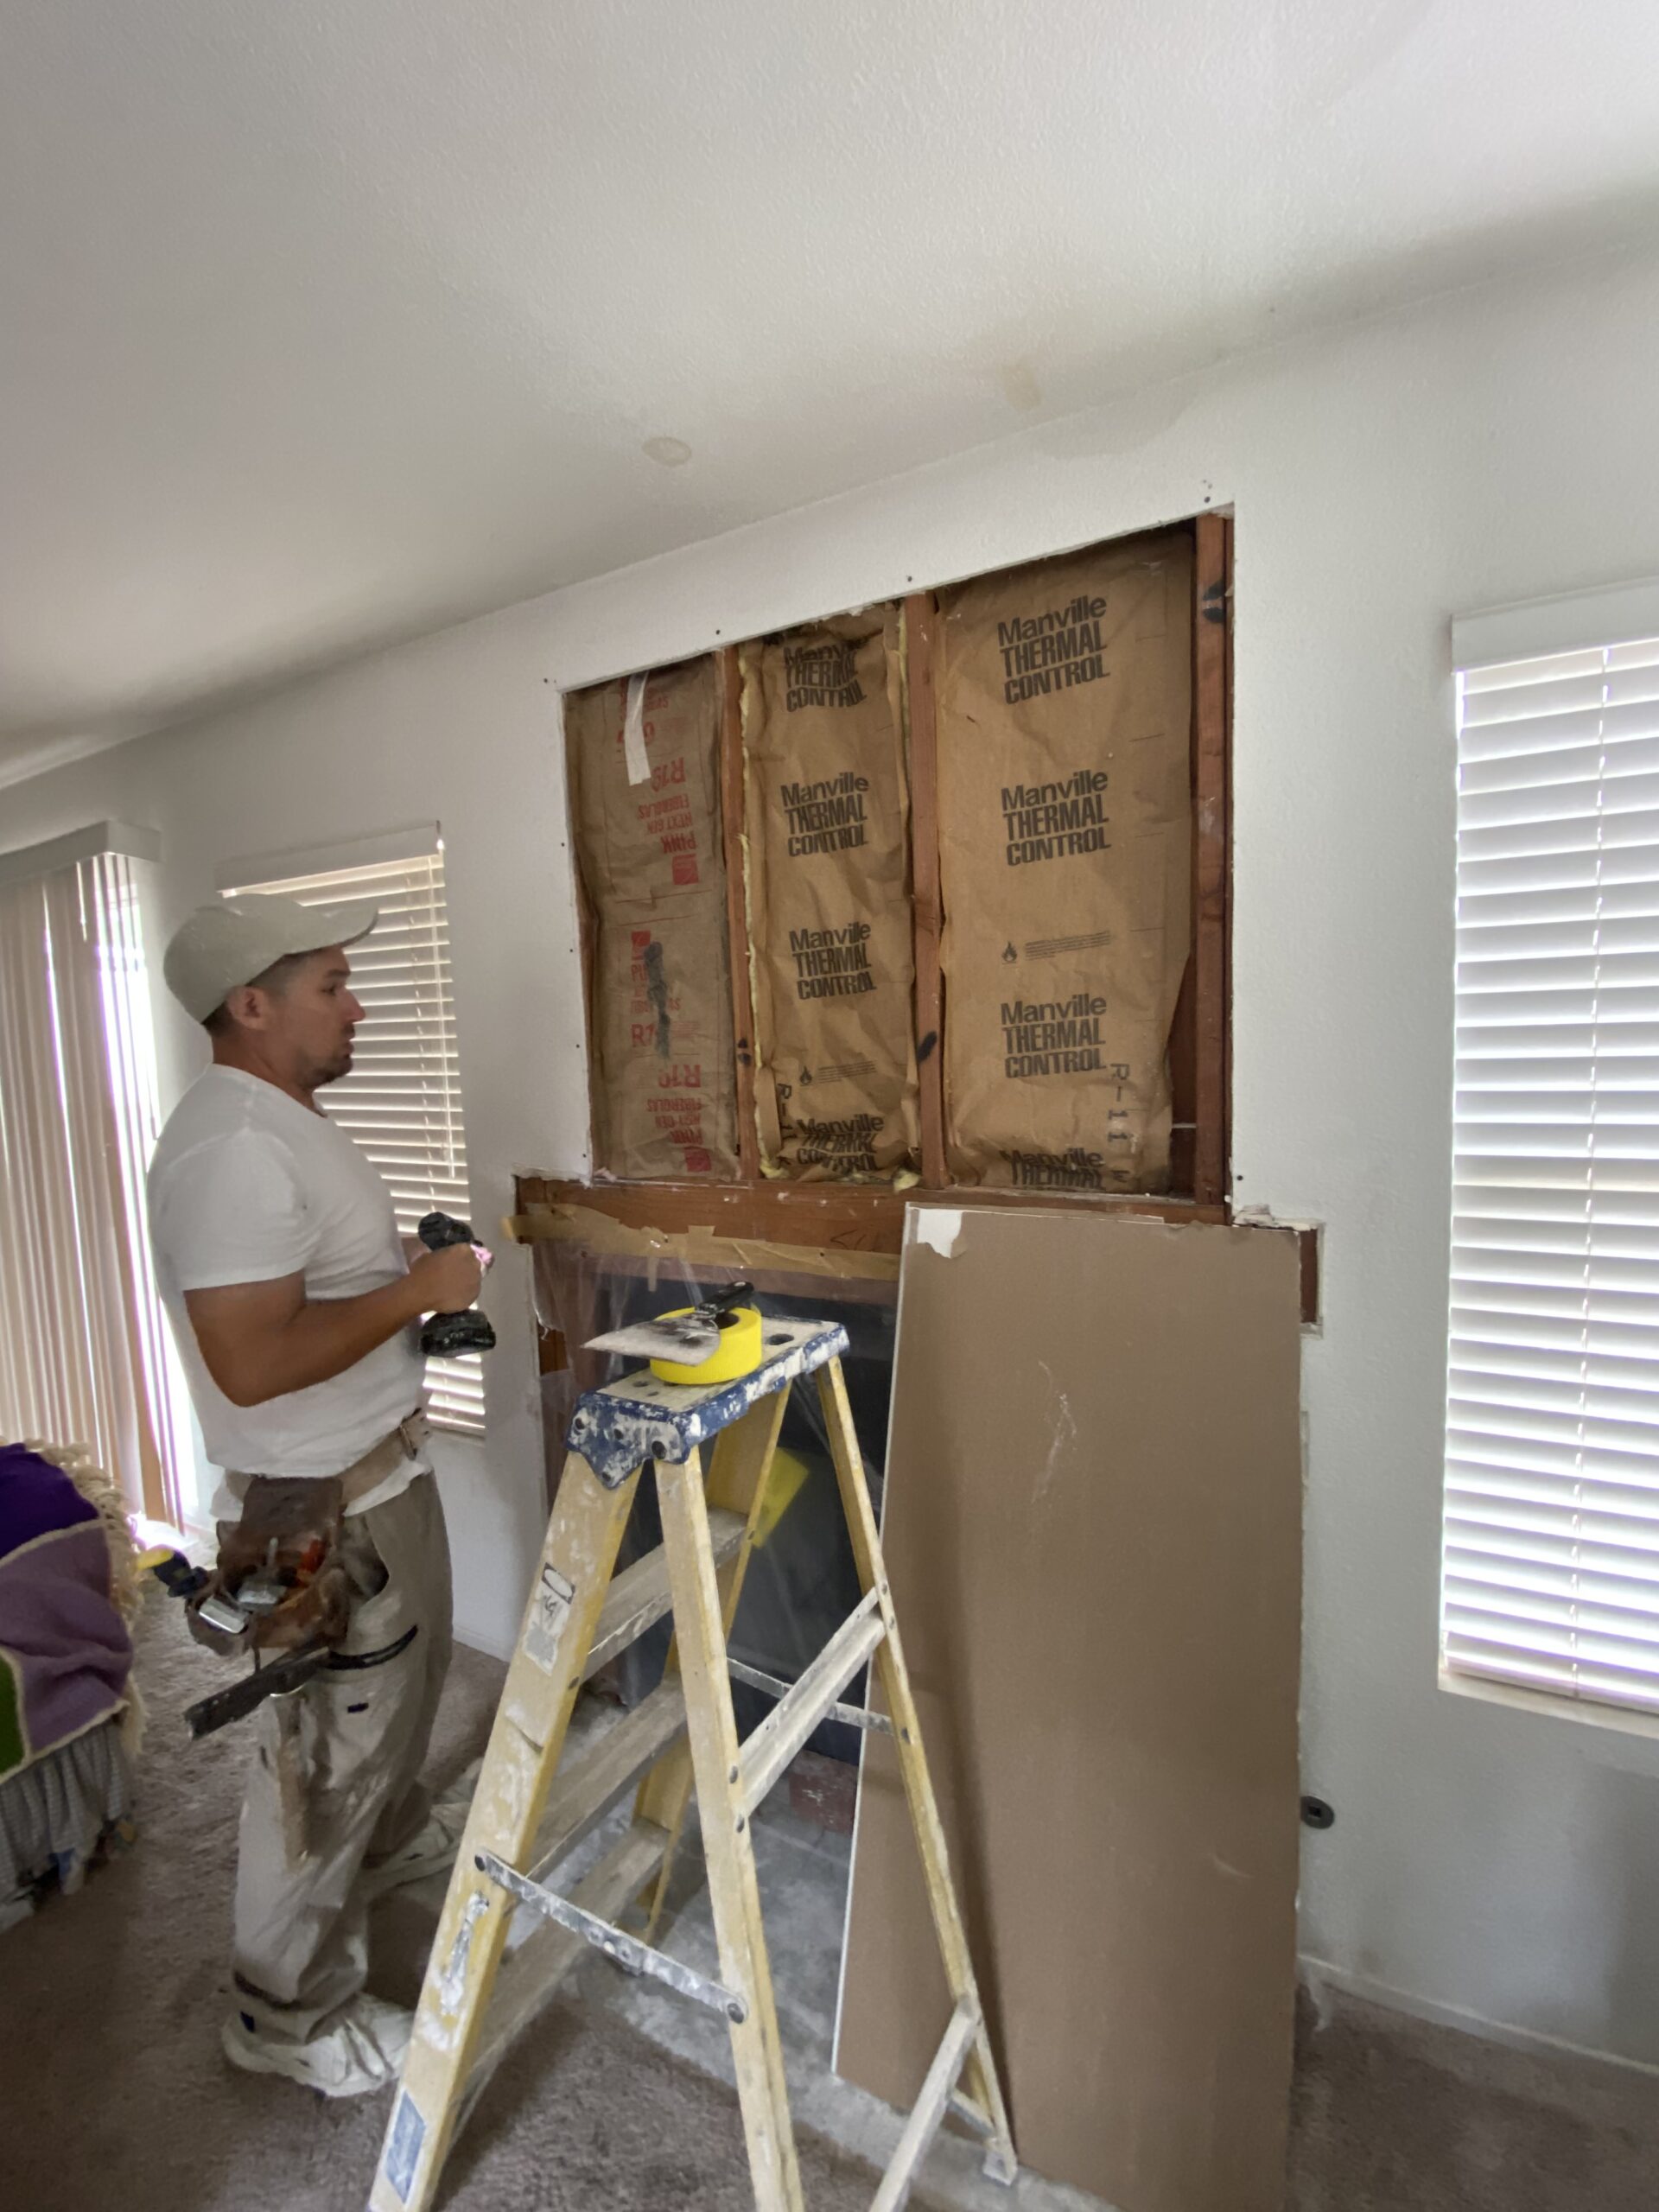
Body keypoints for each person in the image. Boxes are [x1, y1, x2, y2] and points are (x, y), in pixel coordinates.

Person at [146, 891, 486, 2096]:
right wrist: (419, 1290)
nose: (358, 1006)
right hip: (313, 1509)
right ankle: (283, 2016)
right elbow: (252, 1356)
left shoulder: (280, 1121)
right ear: (251, 1004)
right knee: (314, 1767)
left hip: (377, 1478)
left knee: (393, 1706)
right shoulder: (231, 1147)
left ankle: (387, 1845)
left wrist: (389, 1276)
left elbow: (300, 1293)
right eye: (331, 985)